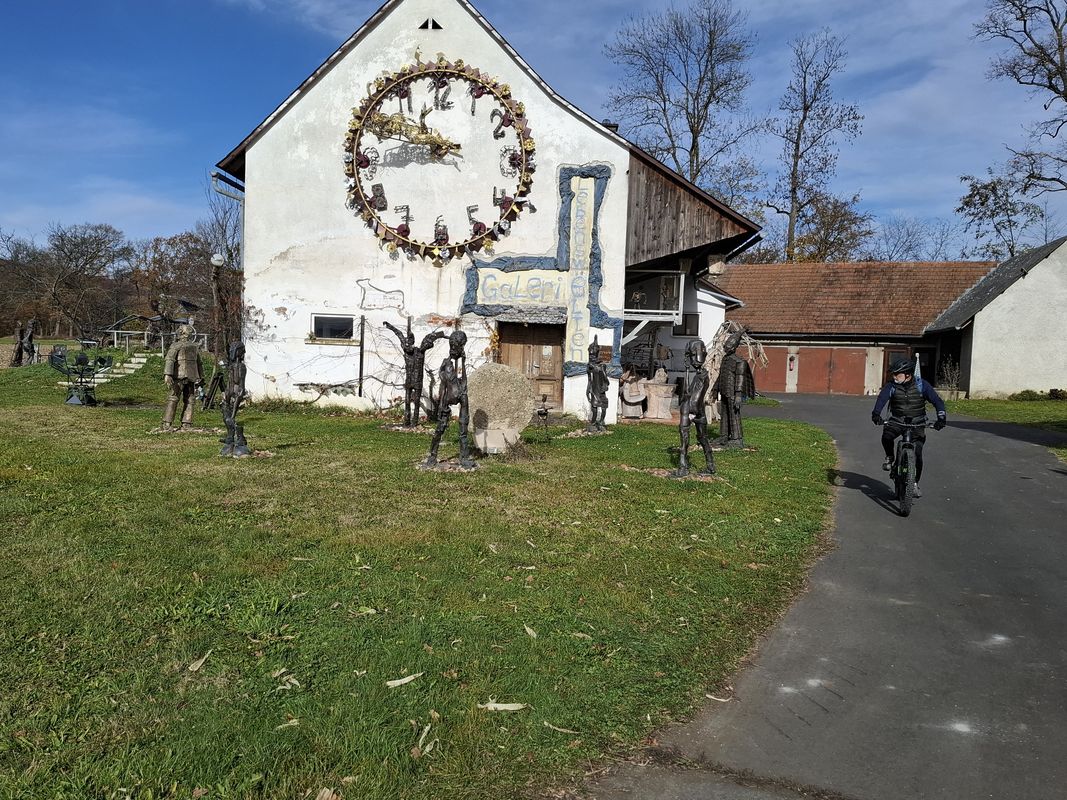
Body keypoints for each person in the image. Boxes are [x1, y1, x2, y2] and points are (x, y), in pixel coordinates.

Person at [871, 357, 947, 498]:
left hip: (917, 422)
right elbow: (882, 399)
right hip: (897, 420)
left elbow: (937, 401)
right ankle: (890, 456)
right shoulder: (891, 386)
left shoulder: (922, 385)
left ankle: (914, 483)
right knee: (886, 437)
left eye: (896, 374)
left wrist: (941, 418)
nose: (893, 377)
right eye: (893, 374)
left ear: (908, 374)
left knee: (917, 453)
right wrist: (876, 414)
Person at [162, 325, 204, 429]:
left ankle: (187, 422)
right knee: (174, 398)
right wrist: (168, 374)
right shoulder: (176, 346)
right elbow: (170, 359)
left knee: (190, 399)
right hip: (179, 376)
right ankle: (167, 422)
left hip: (191, 376)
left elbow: (199, 363)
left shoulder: (194, 347)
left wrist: (201, 376)